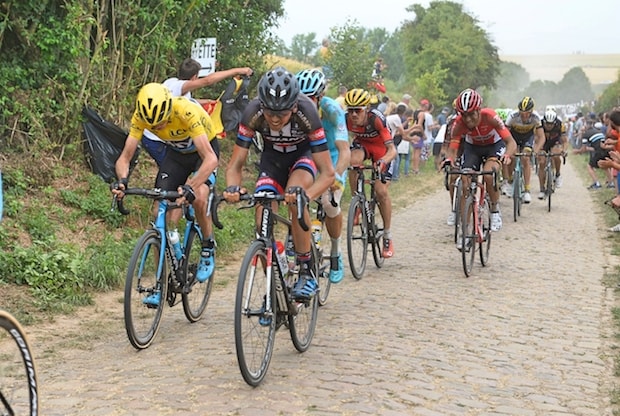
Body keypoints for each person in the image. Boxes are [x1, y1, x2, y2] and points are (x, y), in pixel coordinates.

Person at [223, 67, 335, 302]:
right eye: (269, 112)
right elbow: (235, 165)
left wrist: (308, 195)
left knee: (296, 196)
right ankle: (275, 286)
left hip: (302, 158)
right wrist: (232, 187)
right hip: (272, 161)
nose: (274, 119)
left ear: (294, 107)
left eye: (281, 114)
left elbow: (327, 174)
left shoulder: (308, 112)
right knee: (262, 214)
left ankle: (306, 270)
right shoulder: (252, 112)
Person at [112, 83, 220, 303]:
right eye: (154, 125)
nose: (159, 127)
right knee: (159, 213)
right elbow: (125, 157)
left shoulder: (185, 111)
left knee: (199, 197)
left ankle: (208, 246)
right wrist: (122, 181)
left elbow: (211, 159)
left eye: (162, 122)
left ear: (169, 108)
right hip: (177, 156)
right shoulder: (140, 117)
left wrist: (191, 185)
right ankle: (162, 283)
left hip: (203, 154)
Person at [142, 58, 253, 166]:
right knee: (173, 172)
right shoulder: (181, 86)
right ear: (194, 77)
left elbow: (183, 101)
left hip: (153, 135)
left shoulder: (170, 82)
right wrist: (238, 70)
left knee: (173, 172)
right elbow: (207, 80)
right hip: (156, 138)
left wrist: (207, 102)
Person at [295, 68, 351, 284]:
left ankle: (336, 251)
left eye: (310, 99)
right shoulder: (294, 109)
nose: (306, 103)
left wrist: (336, 175)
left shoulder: (332, 109)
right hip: (308, 156)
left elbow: (344, 150)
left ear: (319, 97)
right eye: (302, 99)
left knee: (329, 204)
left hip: (333, 156)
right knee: (297, 198)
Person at [442, 88, 517, 236]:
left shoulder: (490, 116)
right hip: (473, 148)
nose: (468, 119)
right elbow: (453, 148)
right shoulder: (459, 123)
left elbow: (510, 142)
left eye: (471, 114)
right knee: (466, 180)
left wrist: (508, 154)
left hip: (494, 146)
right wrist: (449, 160)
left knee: (489, 175)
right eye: (464, 115)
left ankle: (495, 210)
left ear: (479, 109)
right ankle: (466, 227)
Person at [345, 88, 397, 258]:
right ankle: (357, 202)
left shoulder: (376, 119)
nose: (353, 114)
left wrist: (383, 162)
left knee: (381, 192)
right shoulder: (347, 120)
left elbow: (392, 150)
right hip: (363, 145)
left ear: (366, 109)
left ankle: (387, 236)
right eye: (350, 110)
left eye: (357, 110)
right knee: (352, 162)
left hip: (382, 150)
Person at [501, 97, 545, 203]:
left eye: (527, 113)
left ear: (531, 112)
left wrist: (535, 150)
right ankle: (510, 180)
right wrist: (508, 149)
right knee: (511, 157)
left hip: (527, 137)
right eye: (522, 113)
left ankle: (527, 190)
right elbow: (505, 134)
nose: (524, 115)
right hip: (513, 137)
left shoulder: (536, 117)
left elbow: (542, 137)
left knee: (525, 158)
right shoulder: (512, 116)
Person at [537, 109, 568, 199]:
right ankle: (542, 189)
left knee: (556, 154)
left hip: (555, 142)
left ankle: (558, 174)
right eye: (547, 124)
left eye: (551, 124)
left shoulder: (560, 125)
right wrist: (537, 151)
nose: (549, 126)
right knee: (542, 163)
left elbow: (565, 140)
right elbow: (536, 139)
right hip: (543, 142)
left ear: (555, 122)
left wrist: (564, 150)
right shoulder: (539, 124)